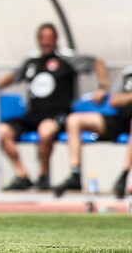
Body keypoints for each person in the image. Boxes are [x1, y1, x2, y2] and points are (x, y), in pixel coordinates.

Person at [0, 23, 110, 191]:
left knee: (46, 131)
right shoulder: (31, 61)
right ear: (38, 40)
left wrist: (102, 87)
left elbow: (98, 62)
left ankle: (42, 175)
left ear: (56, 39)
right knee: (0, 131)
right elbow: (14, 76)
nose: (46, 42)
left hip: (57, 114)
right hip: (32, 114)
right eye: (43, 38)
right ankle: (22, 175)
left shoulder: (66, 58)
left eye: (50, 38)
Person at [53, 59, 132, 198]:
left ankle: (124, 175)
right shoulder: (128, 72)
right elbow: (114, 100)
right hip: (120, 118)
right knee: (74, 120)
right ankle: (75, 174)